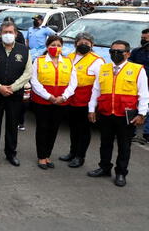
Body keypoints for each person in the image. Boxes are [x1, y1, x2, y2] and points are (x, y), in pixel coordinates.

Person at [87, 40, 148, 187]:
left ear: (127, 53)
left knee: (124, 146)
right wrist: (91, 109)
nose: (115, 54)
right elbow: (96, 90)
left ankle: (121, 172)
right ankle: (104, 167)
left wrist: (141, 114)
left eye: (119, 52)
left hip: (126, 115)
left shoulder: (137, 69)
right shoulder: (104, 69)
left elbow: (144, 94)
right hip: (106, 113)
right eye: (112, 51)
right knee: (105, 143)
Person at [0, 21, 32, 167]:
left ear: (16, 34)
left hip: (15, 94)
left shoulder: (24, 50)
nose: (7, 35)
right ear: (0, 34)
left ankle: (11, 153)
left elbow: (28, 72)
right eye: (5, 32)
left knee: (12, 124)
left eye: (10, 32)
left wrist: (13, 87)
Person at [30, 35, 77, 170]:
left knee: (54, 129)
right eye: (52, 45)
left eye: (58, 45)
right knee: (42, 128)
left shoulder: (68, 61)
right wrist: (48, 96)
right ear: (47, 47)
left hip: (61, 101)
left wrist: (64, 96)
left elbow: (73, 82)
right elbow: (34, 81)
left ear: (62, 47)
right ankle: (41, 157)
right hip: (42, 101)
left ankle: (48, 155)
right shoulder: (39, 61)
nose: (55, 48)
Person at [59, 32, 104, 168]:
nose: (83, 45)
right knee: (73, 128)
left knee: (83, 130)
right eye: (81, 42)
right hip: (71, 98)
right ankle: (72, 152)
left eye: (87, 43)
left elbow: (99, 85)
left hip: (86, 99)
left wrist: (94, 106)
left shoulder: (97, 60)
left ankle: (80, 156)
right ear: (75, 43)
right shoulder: (69, 57)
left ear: (92, 45)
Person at [129, 28, 149, 144]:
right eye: (142, 38)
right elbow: (130, 65)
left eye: (145, 38)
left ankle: (147, 134)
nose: (142, 40)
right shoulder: (137, 51)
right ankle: (131, 132)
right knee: (135, 107)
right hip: (138, 85)